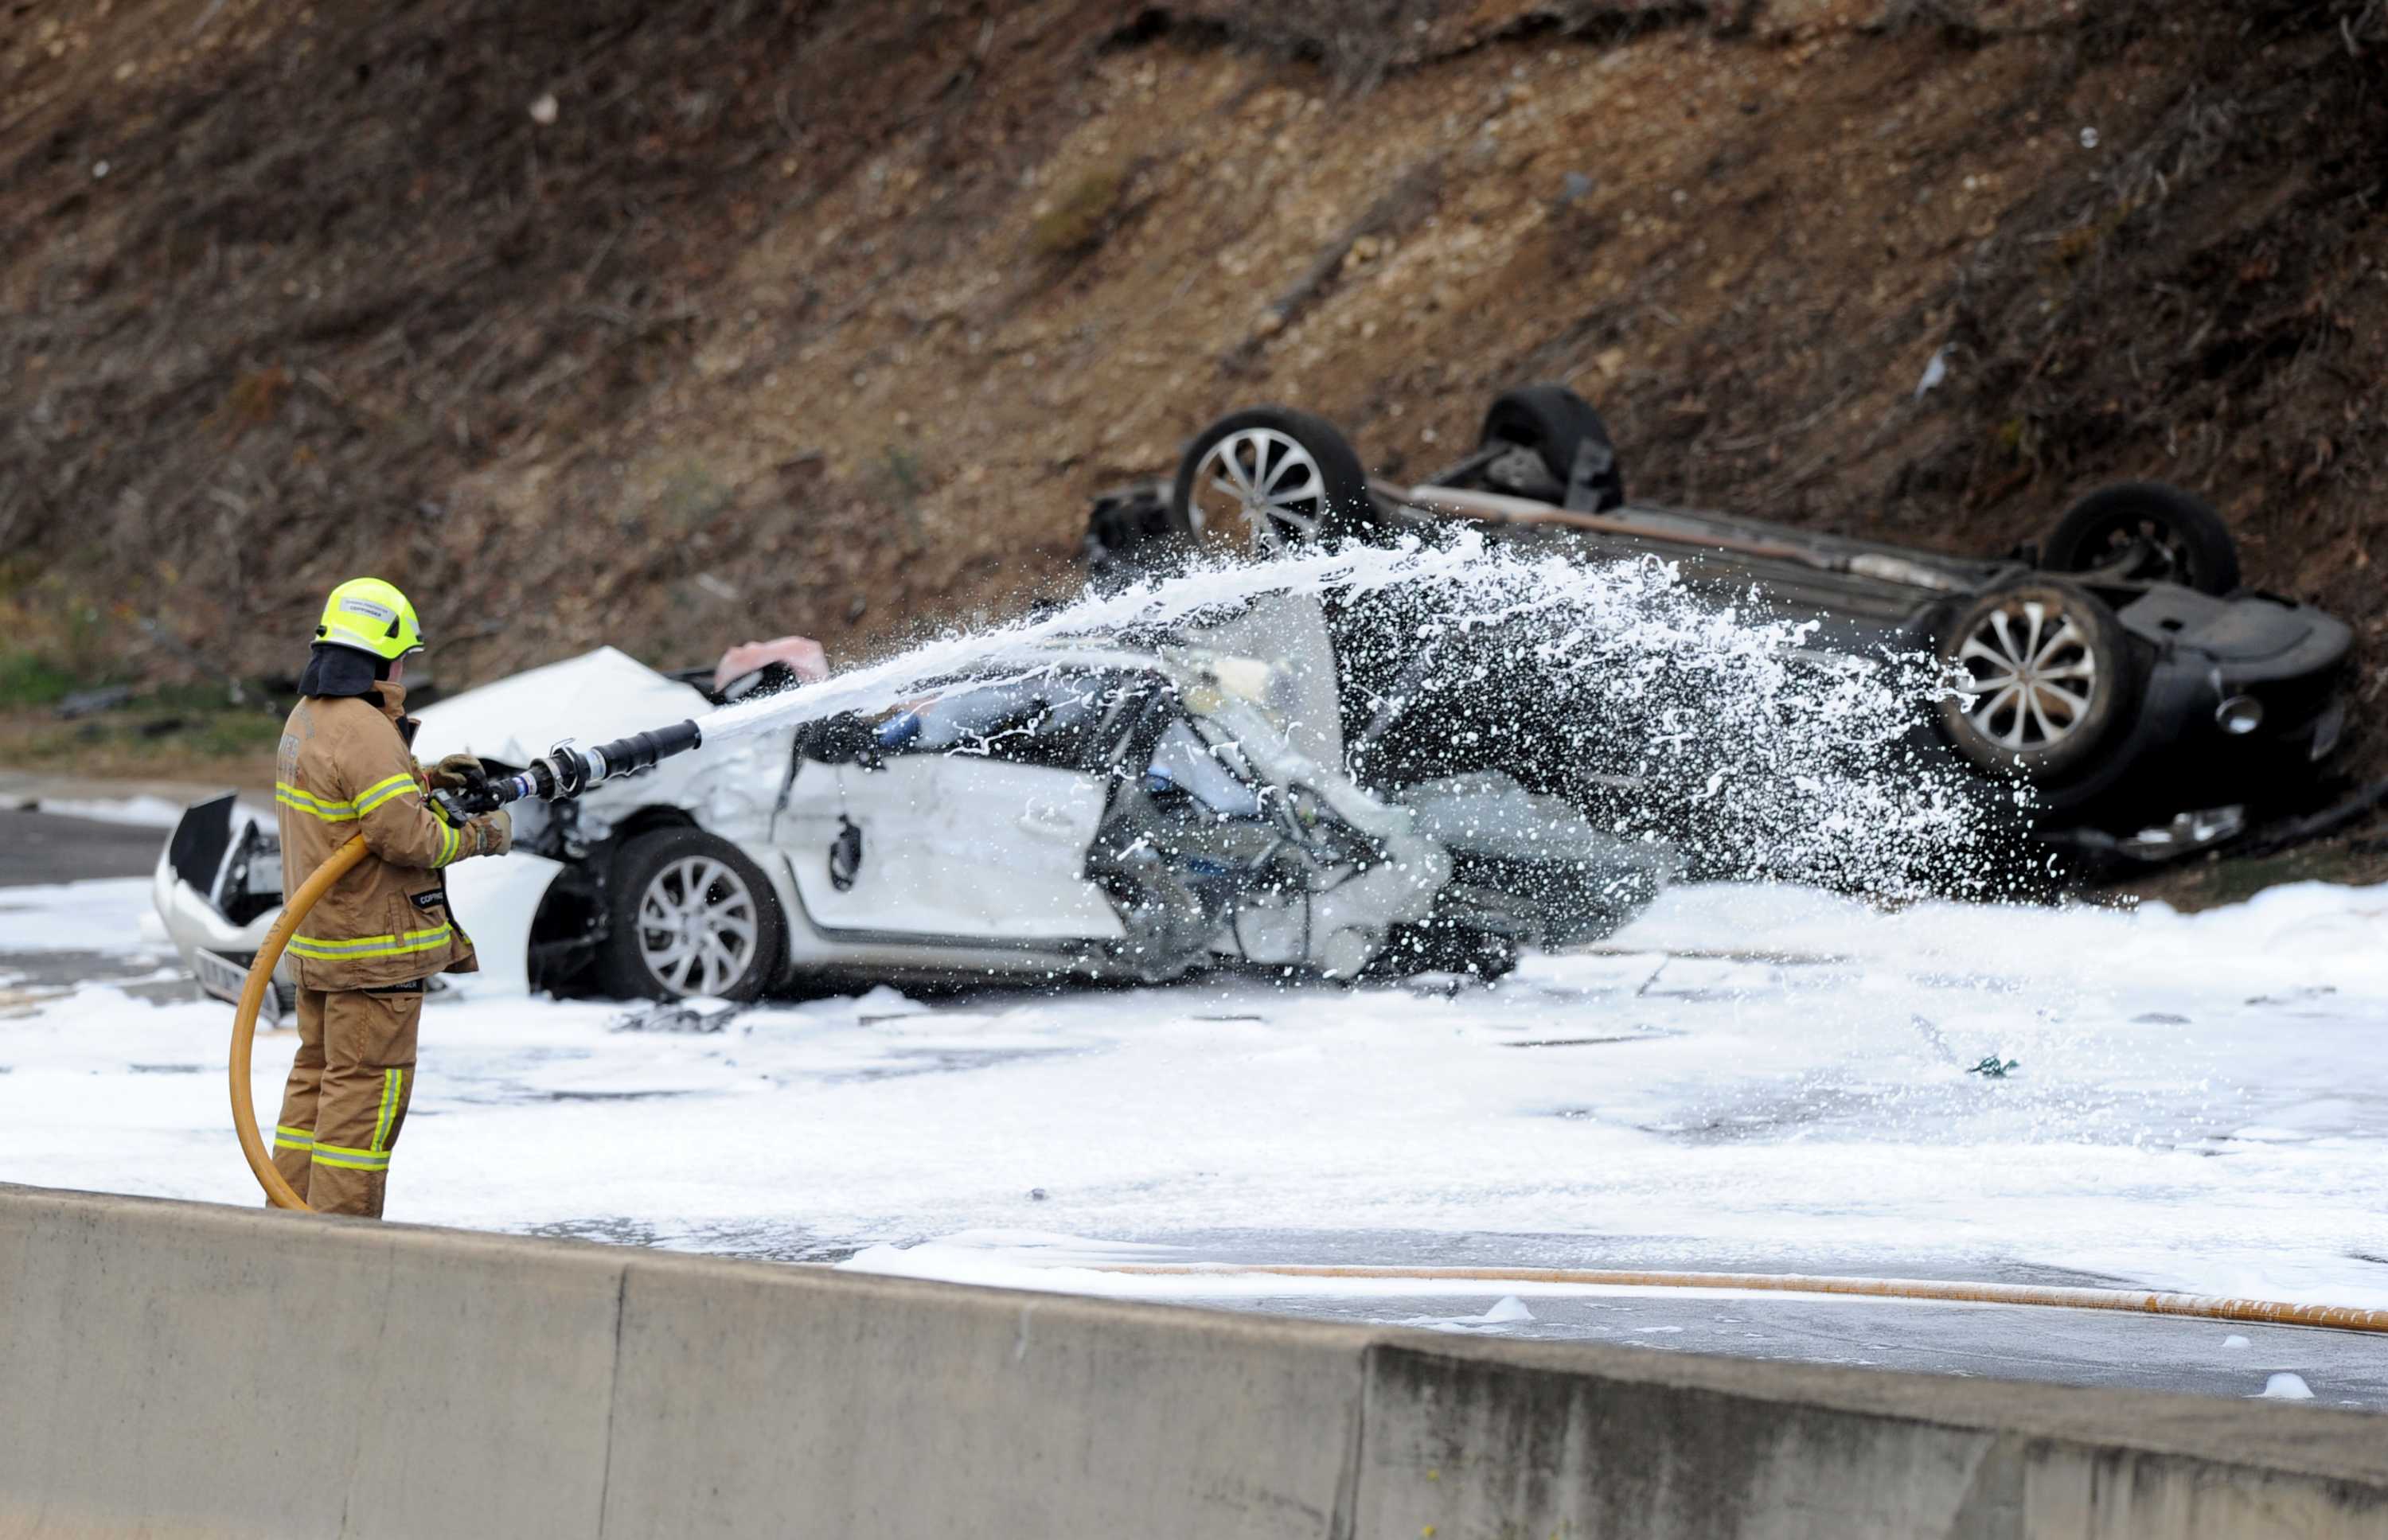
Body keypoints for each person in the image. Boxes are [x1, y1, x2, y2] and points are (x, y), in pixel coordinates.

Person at [268, 578, 511, 1218]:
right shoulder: (365, 729)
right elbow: (405, 835)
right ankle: (340, 1244)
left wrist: (425, 777)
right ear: (382, 657)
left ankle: (285, 1223)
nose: (405, 668)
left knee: (317, 1085)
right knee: (362, 1100)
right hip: (372, 957)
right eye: (403, 655)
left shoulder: (308, 717)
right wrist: (481, 835)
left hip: (322, 945)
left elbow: (354, 803)